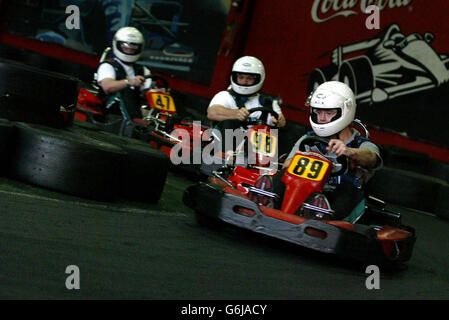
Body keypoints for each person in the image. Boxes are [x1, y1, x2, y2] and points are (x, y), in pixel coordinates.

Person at [258, 81, 382, 221]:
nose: (322, 118)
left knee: (347, 188)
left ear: (346, 111)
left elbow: (372, 158)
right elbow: (287, 164)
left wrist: (350, 152)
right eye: (318, 112)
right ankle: (269, 199)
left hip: (340, 194)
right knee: (285, 172)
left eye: (329, 113)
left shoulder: (361, 144)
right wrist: (309, 158)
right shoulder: (308, 138)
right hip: (305, 190)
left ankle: (322, 215)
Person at [207, 56, 286, 131]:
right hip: (226, 141)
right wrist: (235, 114)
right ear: (235, 77)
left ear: (258, 79)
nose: (245, 81)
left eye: (250, 78)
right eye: (241, 77)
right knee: (229, 123)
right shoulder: (224, 96)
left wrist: (279, 122)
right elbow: (212, 113)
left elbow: (281, 121)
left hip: (257, 143)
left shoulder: (268, 102)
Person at [96, 26, 152, 120]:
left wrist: (158, 92)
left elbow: (147, 93)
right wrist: (129, 82)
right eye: (126, 48)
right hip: (109, 113)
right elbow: (107, 87)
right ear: (117, 45)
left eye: (133, 48)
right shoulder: (108, 66)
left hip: (135, 116)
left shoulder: (143, 70)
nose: (129, 50)